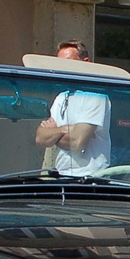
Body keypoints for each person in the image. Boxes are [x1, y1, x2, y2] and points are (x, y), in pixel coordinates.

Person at [35, 40, 112, 174]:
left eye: (68, 62)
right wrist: (65, 129)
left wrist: (54, 134)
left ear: (85, 61)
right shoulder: (61, 97)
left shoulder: (96, 96)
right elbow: (40, 138)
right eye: (60, 64)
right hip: (62, 177)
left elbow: (77, 143)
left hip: (91, 178)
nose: (63, 68)